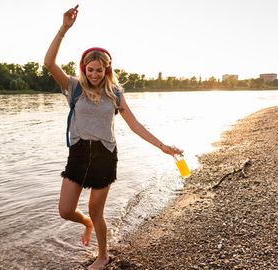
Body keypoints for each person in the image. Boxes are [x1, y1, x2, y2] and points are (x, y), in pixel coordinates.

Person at [44, 5, 184, 270]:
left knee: (97, 210)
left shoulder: (115, 93)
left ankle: (103, 255)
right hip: (78, 153)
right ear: (83, 68)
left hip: (104, 156)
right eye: (90, 69)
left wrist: (163, 146)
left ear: (107, 70)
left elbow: (134, 124)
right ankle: (85, 223)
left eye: (99, 70)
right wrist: (64, 29)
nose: (94, 75)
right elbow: (49, 63)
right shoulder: (72, 87)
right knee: (65, 210)